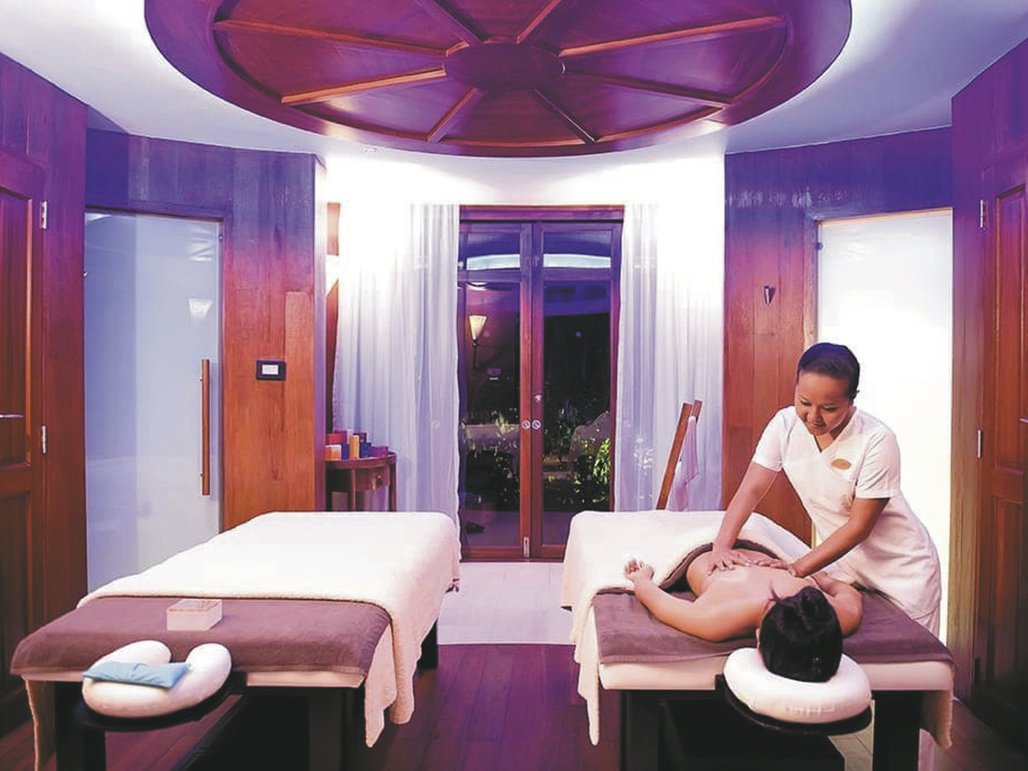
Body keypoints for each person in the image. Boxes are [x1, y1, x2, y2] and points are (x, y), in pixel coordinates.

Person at [709, 342, 942, 635]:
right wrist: (722, 546)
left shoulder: (876, 440)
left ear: (852, 400)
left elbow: (859, 526)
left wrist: (798, 567)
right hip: (850, 569)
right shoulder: (784, 425)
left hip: (901, 572)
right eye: (804, 402)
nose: (813, 417)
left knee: (910, 657)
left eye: (829, 408)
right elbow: (751, 490)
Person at [624, 545, 862, 681]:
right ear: (759, 639)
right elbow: (656, 601)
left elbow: (657, 600)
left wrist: (821, 579)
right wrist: (641, 578)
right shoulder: (715, 619)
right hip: (711, 545)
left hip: (753, 550)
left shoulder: (835, 616)